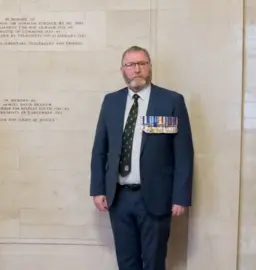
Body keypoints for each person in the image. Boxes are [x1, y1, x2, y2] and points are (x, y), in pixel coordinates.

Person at [90, 45, 194, 270]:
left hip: (157, 198)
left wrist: (180, 197)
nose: (136, 70)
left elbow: (183, 153)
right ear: (122, 70)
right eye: (130, 65)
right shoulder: (111, 101)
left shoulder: (171, 101)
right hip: (119, 198)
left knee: (154, 261)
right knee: (126, 262)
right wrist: (98, 189)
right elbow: (100, 149)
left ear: (149, 67)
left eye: (141, 64)